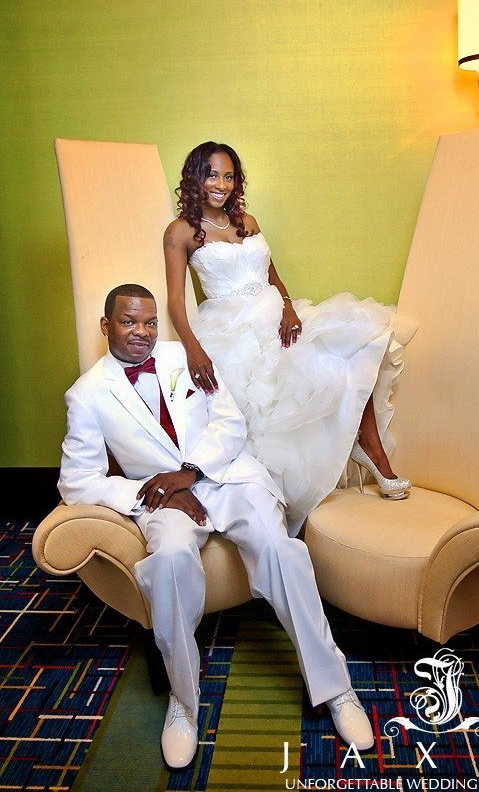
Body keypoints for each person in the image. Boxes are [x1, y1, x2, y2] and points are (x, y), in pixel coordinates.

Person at [58, 284, 374, 769]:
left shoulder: (186, 356)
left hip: (226, 475)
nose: (141, 333)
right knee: (167, 562)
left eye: (148, 322)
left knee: (280, 549)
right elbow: (77, 482)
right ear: (106, 326)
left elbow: (230, 421)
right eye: (128, 322)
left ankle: (335, 687)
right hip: (160, 498)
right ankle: (184, 701)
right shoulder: (86, 395)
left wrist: (191, 472)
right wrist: (153, 491)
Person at [164, 141, 411, 536]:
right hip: (230, 327)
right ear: (195, 177)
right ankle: (271, 504)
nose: (221, 184)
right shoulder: (181, 232)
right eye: (212, 174)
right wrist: (194, 348)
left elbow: (273, 276)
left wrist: (290, 309)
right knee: (273, 397)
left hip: (275, 314)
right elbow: (175, 300)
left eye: (229, 176)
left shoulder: (248, 221)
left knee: (352, 339)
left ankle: (369, 446)